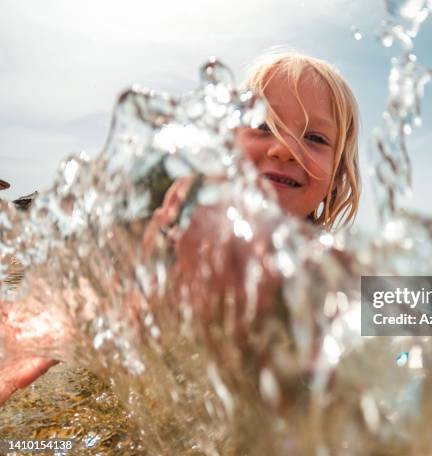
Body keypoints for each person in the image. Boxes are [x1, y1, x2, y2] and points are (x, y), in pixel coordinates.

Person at [0, 50, 361, 406]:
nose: (284, 148)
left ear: (337, 174)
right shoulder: (187, 228)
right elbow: (113, 282)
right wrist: (48, 328)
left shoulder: (332, 269)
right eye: (264, 127)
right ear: (229, 147)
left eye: (315, 138)